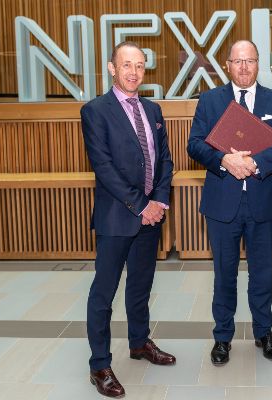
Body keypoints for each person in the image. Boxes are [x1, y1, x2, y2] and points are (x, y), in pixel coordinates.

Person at [187, 40, 272, 366]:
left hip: (263, 201)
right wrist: (224, 160)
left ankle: (264, 332)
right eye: (238, 61)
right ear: (227, 64)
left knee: (262, 273)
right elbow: (194, 144)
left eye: (250, 61)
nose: (244, 67)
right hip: (222, 203)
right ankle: (222, 337)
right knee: (224, 274)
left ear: (258, 64)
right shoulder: (209, 101)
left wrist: (256, 164)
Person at [80, 41, 175, 398]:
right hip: (117, 217)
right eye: (126, 65)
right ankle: (100, 364)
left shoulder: (153, 109)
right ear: (111, 68)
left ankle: (139, 343)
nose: (133, 72)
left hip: (152, 216)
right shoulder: (95, 111)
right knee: (103, 294)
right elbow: (103, 167)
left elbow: (164, 160)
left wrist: (160, 201)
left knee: (140, 287)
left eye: (139, 66)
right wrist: (142, 205)